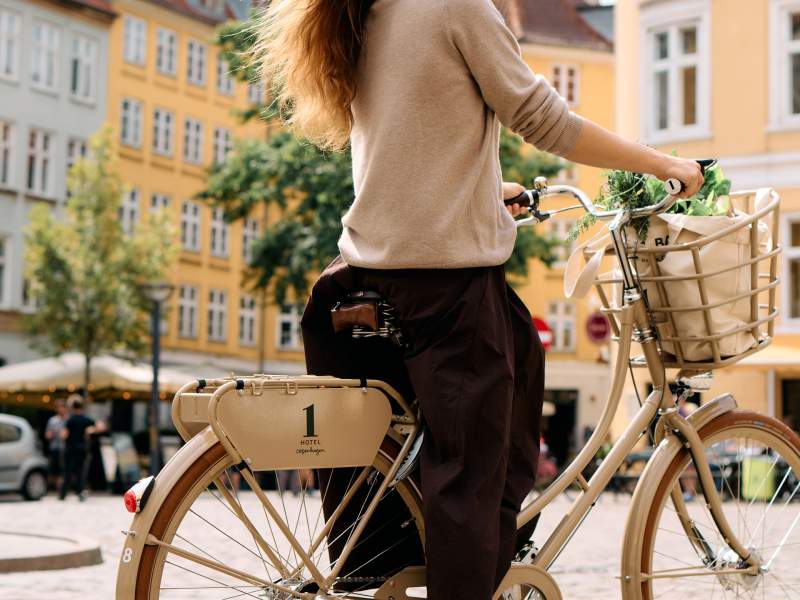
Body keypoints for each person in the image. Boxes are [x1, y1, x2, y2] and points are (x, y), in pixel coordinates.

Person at [255, 1, 703, 598]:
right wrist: (662, 163)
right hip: (445, 290)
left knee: (401, 469)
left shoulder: (367, 10)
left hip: (362, 275)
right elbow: (544, 120)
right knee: (476, 483)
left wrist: (483, 191)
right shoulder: (454, 4)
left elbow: (408, 144)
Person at [59, 394, 97, 501]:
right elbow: (99, 426)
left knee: (67, 471)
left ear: (72, 407)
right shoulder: (86, 419)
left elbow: (64, 435)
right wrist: (89, 432)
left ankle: (63, 494)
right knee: (81, 472)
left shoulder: (69, 420)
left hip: (70, 448)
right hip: (82, 448)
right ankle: (80, 492)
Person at [45, 398, 68, 491]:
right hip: (55, 447)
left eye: (62, 407)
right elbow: (47, 435)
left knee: (64, 469)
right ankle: (57, 487)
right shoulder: (52, 420)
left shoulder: (69, 419)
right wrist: (53, 433)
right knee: (55, 469)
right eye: (59, 407)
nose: (61, 409)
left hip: (66, 448)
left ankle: (62, 487)